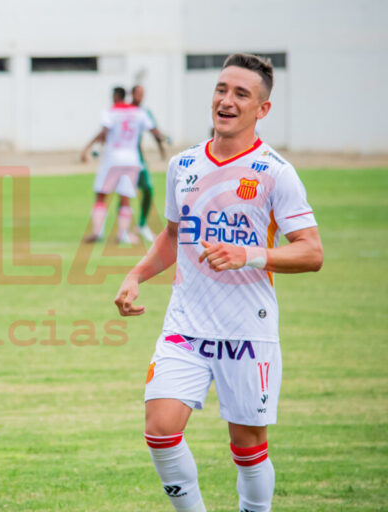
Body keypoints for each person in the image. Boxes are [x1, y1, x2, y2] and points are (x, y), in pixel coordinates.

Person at [114, 53, 323, 512]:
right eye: (221, 89)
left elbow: (312, 251)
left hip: (248, 328)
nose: (226, 101)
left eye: (241, 94)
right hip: (185, 324)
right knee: (160, 428)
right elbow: (172, 236)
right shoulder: (183, 165)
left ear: (261, 109)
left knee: (247, 445)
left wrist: (250, 255)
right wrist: (136, 275)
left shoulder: (275, 172)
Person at [81, 86, 165, 244]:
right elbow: (154, 130)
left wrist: (88, 147)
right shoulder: (139, 113)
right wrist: (164, 138)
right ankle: (122, 234)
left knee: (101, 195)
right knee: (125, 197)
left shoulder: (110, 112)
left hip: (113, 157)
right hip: (132, 159)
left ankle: (98, 233)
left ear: (115, 97)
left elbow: (105, 130)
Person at [130, 84, 167, 242]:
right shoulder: (125, 110)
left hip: (137, 156)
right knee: (124, 193)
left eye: (142, 94)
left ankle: (142, 224)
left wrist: (162, 150)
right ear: (132, 94)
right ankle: (124, 232)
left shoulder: (144, 112)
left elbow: (154, 132)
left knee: (148, 189)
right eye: (138, 93)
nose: (140, 96)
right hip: (123, 157)